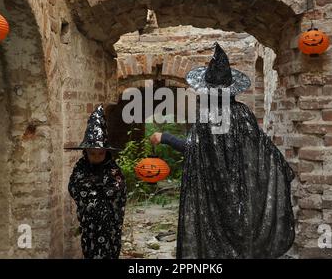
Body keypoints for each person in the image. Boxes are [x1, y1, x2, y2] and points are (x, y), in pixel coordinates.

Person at [150, 43, 295, 259]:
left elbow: (192, 149)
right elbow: (264, 150)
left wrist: (165, 137)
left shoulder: (207, 117)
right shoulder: (243, 114)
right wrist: (282, 171)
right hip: (243, 195)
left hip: (213, 196)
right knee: (240, 239)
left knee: (215, 245)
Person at [65, 105, 127, 259]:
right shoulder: (80, 167)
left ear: (106, 151)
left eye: (100, 153)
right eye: (92, 153)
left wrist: (94, 187)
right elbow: (74, 188)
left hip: (110, 228)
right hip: (89, 227)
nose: (97, 156)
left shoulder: (113, 169)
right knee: (90, 252)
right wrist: (96, 188)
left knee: (110, 253)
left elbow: (117, 191)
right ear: (85, 151)